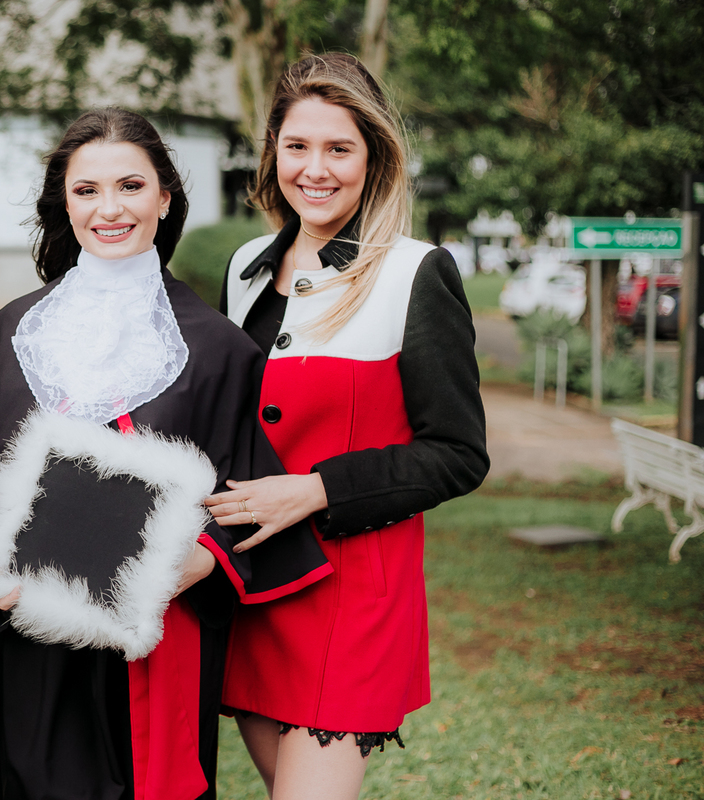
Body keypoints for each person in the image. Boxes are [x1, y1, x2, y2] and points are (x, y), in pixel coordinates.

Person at [0, 107, 331, 800]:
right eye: (86, 191)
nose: (110, 209)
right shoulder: (8, 336)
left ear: (165, 198)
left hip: (160, 638)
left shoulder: (220, 348)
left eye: (131, 187)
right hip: (31, 638)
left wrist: (157, 576)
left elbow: (245, 499)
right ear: (63, 203)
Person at [205, 54, 490, 800]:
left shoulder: (414, 272)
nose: (315, 169)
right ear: (273, 152)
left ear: (374, 156)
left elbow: (458, 455)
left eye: (340, 148)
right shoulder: (242, 269)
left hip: (355, 599)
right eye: (297, 146)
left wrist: (317, 491)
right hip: (256, 591)